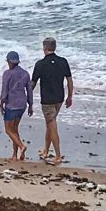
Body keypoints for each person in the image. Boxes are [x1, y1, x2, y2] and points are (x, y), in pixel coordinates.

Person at [31, 37, 73, 165]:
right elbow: (69, 80)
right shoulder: (63, 61)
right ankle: (45, 150)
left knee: (52, 125)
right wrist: (70, 96)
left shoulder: (40, 64)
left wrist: (26, 95)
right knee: (50, 124)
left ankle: (58, 155)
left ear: (44, 48)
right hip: (59, 98)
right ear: (54, 47)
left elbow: (32, 83)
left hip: (47, 100)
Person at [0, 50, 33, 160]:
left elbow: (4, 91)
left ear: (9, 61)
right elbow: (29, 90)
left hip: (12, 105)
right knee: (15, 129)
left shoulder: (7, 74)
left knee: (8, 130)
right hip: (22, 105)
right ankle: (15, 155)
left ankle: (21, 146)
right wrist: (31, 105)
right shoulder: (25, 74)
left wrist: (2, 103)